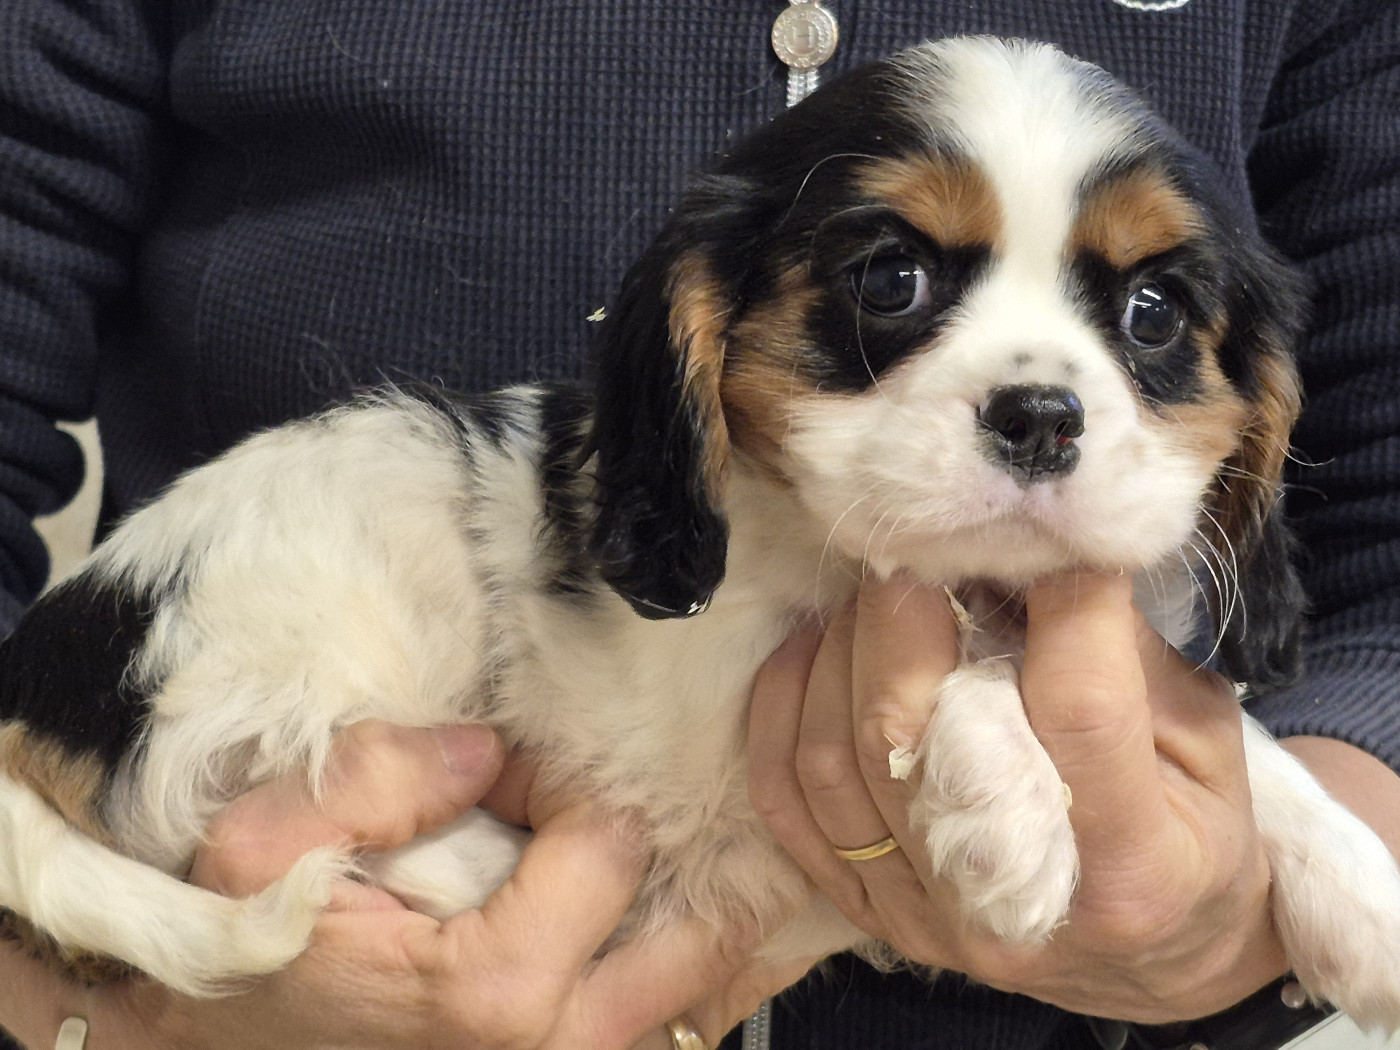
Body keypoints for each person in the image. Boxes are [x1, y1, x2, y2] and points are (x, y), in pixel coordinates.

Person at [0, 1, 1396, 1047]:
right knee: (383, 476)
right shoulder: (587, 512)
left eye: (1148, 310)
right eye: (893, 282)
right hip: (169, 744)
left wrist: (1273, 867)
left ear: (1255, 404)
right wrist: (92, 1009)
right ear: (696, 339)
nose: (1044, 398)